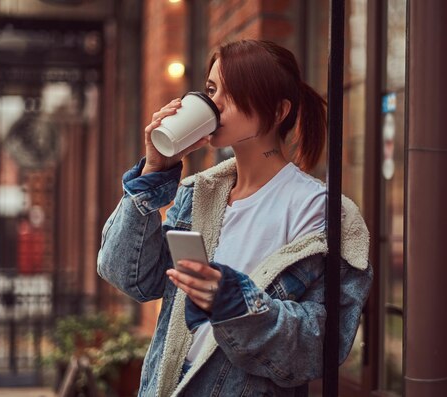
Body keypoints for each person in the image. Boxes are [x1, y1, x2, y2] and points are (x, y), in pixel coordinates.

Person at [97, 39, 373, 397]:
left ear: (277, 112)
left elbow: (317, 346)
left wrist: (234, 303)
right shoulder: (200, 194)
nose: (215, 103)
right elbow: (131, 277)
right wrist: (153, 172)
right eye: (212, 89)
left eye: (234, 92)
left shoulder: (316, 208)